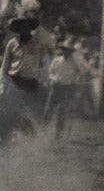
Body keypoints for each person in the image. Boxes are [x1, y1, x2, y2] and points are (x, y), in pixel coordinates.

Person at [0, 16, 40, 144]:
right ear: (18, 28)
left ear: (30, 28)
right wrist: (2, 82)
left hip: (30, 81)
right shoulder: (12, 42)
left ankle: (30, 140)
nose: (25, 29)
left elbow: (41, 63)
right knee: (9, 110)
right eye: (22, 26)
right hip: (14, 81)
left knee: (28, 111)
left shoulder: (36, 43)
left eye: (27, 26)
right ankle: (6, 137)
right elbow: (5, 64)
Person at [43, 39, 80, 139]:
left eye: (69, 50)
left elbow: (78, 74)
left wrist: (75, 82)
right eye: (65, 49)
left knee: (62, 111)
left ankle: (58, 133)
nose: (67, 52)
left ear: (71, 52)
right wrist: (53, 79)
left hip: (66, 88)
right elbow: (50, 72)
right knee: (49, 108)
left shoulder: (74, 63)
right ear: (63, 50)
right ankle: (43, 129)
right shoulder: (56, 60)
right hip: (56, 87)